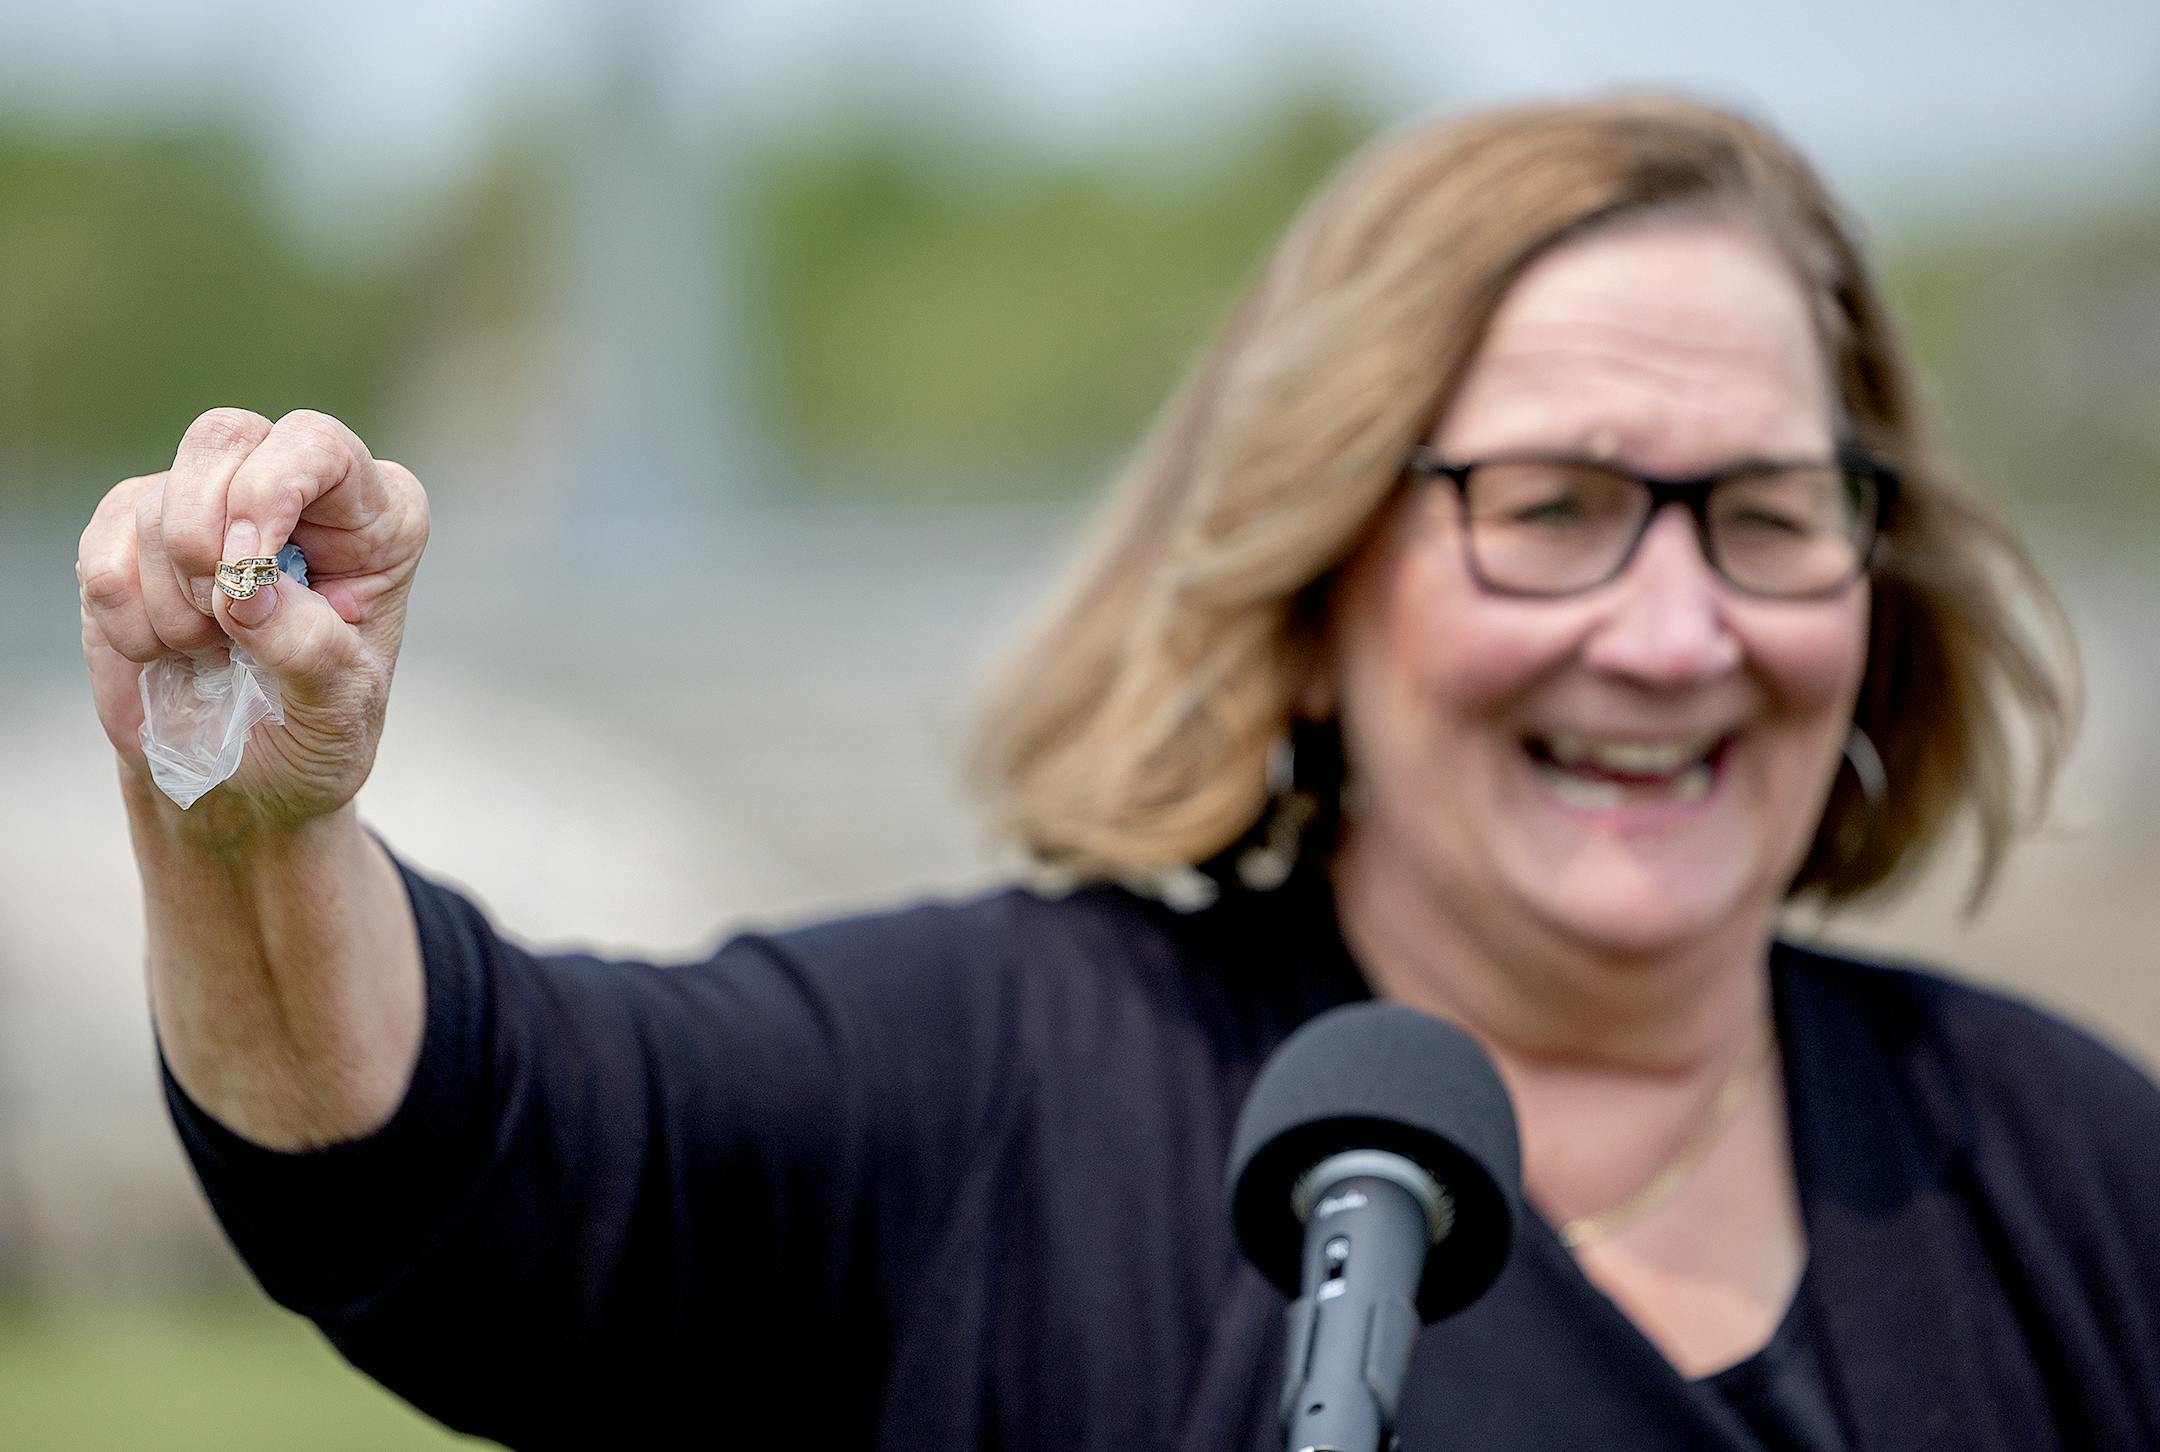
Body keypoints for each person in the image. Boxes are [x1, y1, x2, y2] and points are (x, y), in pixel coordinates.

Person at [78, 95, 2158, 1450]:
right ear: (1317, 575)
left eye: (1771, 516)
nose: (1680, 630)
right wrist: (254, 821)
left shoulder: (2076, 1177)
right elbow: (459, 1160)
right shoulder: (999, 1094)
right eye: (1557, 508)